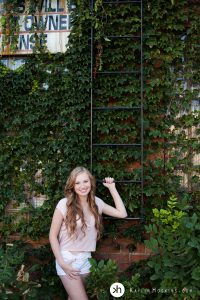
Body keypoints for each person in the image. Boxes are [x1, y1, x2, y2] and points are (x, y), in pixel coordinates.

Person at [49, 166, 127, 300]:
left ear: (90, 182)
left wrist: (112, 188)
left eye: (85, 181)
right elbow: (52, 236)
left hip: (85, 259)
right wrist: (62, 264)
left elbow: (122, 213)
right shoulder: (64, 204)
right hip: (67, 258)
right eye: (77, 183)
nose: (82, 186)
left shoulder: (97, 203)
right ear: (72, 186)